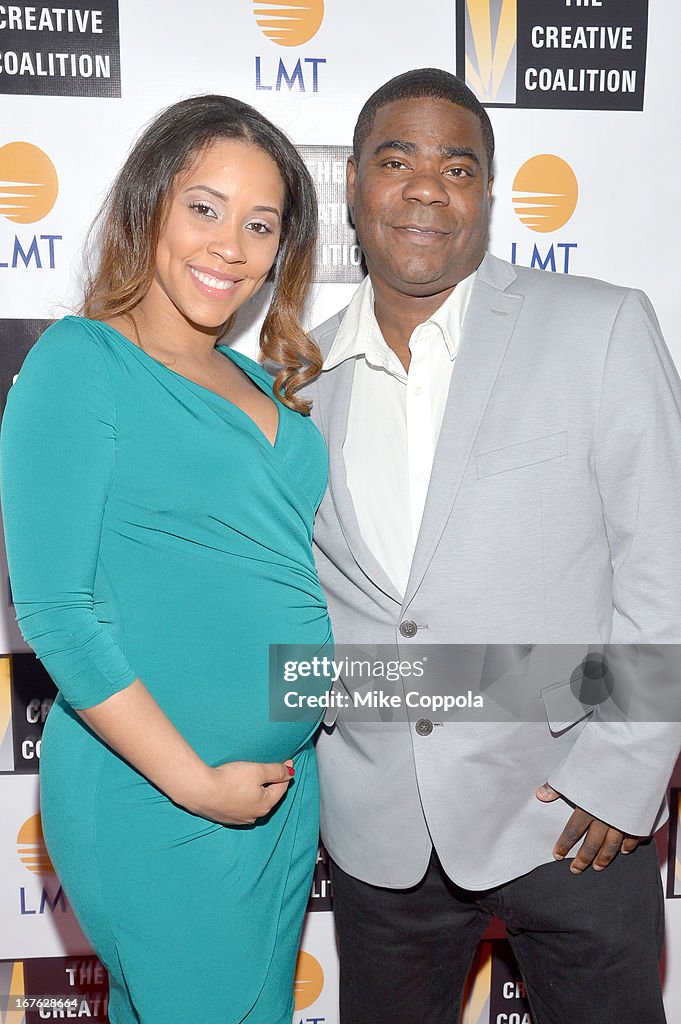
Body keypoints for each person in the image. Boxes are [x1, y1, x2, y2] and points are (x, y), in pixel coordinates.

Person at [307, 68, 681, 1024]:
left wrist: (625, 772)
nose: (426, 188)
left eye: (457, 166)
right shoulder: (292, 382)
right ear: (350, 182)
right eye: (395, 160)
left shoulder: (598, 326)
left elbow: (661, 565)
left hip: (573, 816)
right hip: (377, 833)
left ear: (487, 192)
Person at [0, 94, 331, 1024]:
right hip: (159, 792)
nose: (230, 244)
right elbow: (57, 612)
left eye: (259, 224)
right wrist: (197, 784)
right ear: (150, 202)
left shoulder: (267, 382)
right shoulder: (79, 363)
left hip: (278, 792)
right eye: (205, 207)